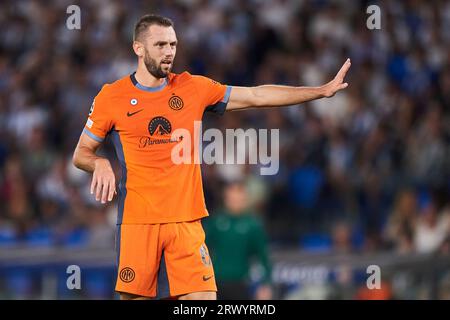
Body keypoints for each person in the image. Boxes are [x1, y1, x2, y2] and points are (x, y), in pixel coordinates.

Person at [72, 14, 351, 300]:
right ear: (138, 48)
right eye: (160, 45)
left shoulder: (193, 87)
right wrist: (100, 163)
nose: (169, 52)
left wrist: (319, 91)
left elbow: (256, 96)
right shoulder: (112, 97)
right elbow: (81, 153)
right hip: (138, 223)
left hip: (186, 222)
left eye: (173, 44)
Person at [204, 181, 272, 300]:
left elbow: (263, 256)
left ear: (245, 199)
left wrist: (266, 284)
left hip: (241, 282)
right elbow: (202, 250)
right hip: (215, 282)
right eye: (232, 198)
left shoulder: (253, 225)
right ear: (226, 198)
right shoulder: (216, 221)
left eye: (239, 199)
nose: (235, 202)